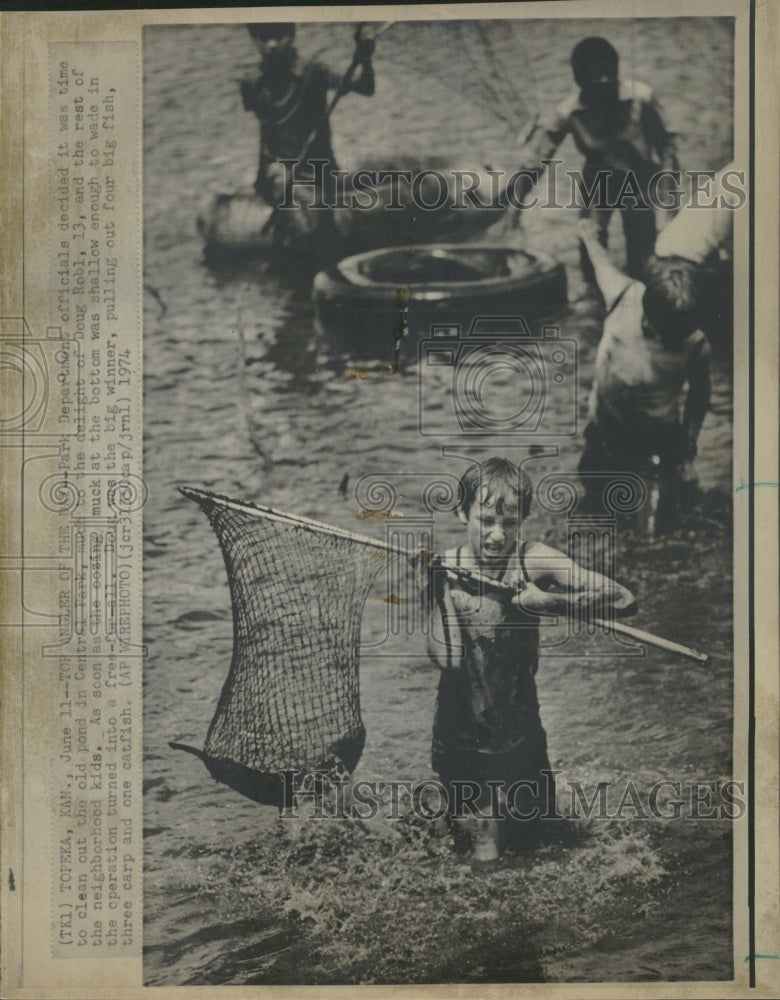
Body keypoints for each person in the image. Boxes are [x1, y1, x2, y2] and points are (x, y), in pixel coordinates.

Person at [427, 458, 636, 863]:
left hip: (521, 729)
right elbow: (449, 659)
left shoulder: (532, 560)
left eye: (509, 523)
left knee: (547, 836)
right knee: (476, 846)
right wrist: (439, 591)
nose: (496, 535)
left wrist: (548, 601)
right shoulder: (446, 571)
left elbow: (624, 599)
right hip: (460, 736)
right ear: (461, 513)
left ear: (522, 520)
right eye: (485, 520)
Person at [577, 219, 712, 516]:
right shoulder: (623, 295)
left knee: (668, 507)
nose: (673, 345)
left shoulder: (696, 343)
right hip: (608, 425)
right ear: (648, 318)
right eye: (668, 338)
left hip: (660, 432)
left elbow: (700, 395)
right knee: (596, 496)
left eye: (679, 339)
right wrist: (589, 237)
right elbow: (602, 263)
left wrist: (688, 445)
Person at [516, 36, 679, 278]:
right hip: (598, 178)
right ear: (581, 81)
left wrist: (669, 204)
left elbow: (668, 148)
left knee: (643, 256)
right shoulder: (568, 111)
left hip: (640, 177)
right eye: (596, 80)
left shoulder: (641, 97)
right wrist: (514, 207)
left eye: (608, 76)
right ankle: (594, 300)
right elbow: (538, 161)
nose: (604, 83)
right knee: (590, 249)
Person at [240, 22, 375, 214]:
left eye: (279, 36)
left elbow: (366, 88)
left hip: (319, 171)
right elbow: (266, 133)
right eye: (263, 38)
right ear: (253, 40)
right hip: (279, 173)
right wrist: (261, 179)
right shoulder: (251, 82)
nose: (271, 44)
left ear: (292, 35)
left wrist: (365, 58)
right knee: (296, 199)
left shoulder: (315, 73)